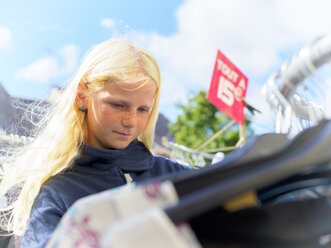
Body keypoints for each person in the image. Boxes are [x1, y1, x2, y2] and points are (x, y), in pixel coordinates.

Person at [0, 39, 194, 248]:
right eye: (118, 105)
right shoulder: (54, 194)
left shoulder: (172, 174)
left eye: (142, 110)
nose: (131, 121)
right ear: (82, 96)